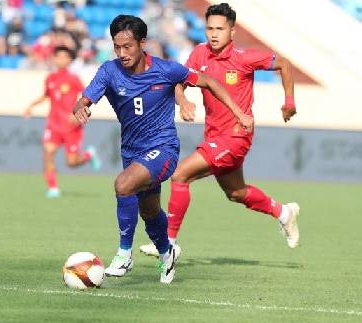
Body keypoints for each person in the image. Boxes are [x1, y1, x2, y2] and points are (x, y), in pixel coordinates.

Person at [74, 15, 253, 283]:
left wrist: (239, 113)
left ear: (142, 43)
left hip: (164, 147)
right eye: (117, 47)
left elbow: (211, 82)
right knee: (149, 210)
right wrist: (81, 107)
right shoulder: (109, 71)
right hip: (132, 151)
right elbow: (85, 98)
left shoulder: (167, 70)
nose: (122, 53)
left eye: (128, 47)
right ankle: (166, 254)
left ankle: (124, 254)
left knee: (123, 185)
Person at [139, 3, 300, 260]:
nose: (214, 34)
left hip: (237, 135)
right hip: (214, 136)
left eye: (220, 29)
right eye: (209, 28)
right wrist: (184, 101)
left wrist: (289, 101)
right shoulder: (199, 54)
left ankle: (167, 243)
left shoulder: (243, 58)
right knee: (236, 193)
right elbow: (179, 82)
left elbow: (283, 63)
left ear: (232, 31)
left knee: (180, 175)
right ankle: (284, 213)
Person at [24, 46, 100, 198]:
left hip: (71, 126)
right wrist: (31, 106)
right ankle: (53, 188)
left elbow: (87, 96)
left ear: (69, 60)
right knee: (48, 152)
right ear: (54, 59)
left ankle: (88, 156)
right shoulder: (50, 78)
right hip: (53, 124)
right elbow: (46, 96)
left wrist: (78, 112)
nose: (61, 60)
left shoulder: (73, 78)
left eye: (65, 57)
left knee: (71, 163)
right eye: (58, 56)